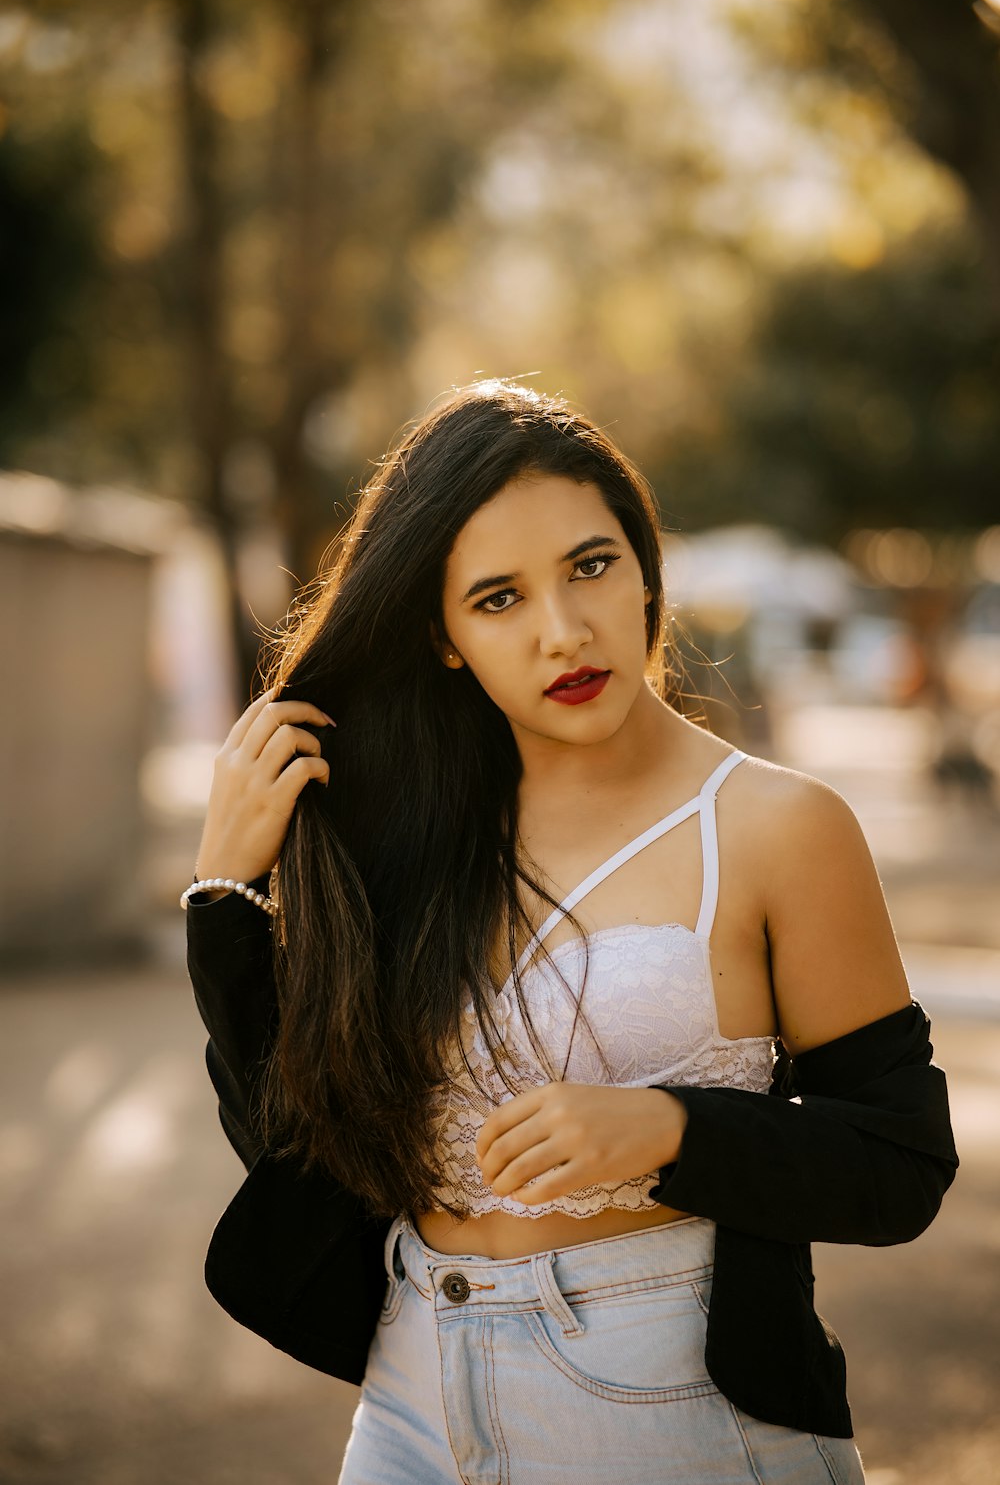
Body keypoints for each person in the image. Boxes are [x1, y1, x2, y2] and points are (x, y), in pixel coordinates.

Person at [186, 381, 958, 1485]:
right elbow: (296, 1141)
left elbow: (899, 1165)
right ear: (444, 638)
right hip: (411, 1396)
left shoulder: (777, 828)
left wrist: (666, 1130)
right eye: (497, 598)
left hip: (667, 1406)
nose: (565, 630)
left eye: (591, 565)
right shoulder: (399, 841)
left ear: (646, 567)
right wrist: (227, 894)